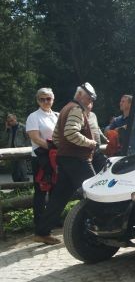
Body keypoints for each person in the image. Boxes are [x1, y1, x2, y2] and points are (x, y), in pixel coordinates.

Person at [33, 83, 98, 245]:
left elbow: (56, 137)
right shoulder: (76, 109)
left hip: (65, 158)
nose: (90, 100)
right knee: (95, 192)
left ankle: (42, 232)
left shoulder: (65, 108)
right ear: (80, 96)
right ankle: (99, 229)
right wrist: (90, 143)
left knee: (58, 198)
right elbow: (70, 132)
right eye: (88, 97)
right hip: (77, 159)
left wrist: (63, 149)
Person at [25, 88, 59, 231]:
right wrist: (51, 148)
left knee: (55, 190)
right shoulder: (33, 116)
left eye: (48, 98)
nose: (46, 101)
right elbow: (35, 138)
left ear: (53, 99)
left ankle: (52, 220)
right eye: (42, 99)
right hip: (41, 158)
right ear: (37, 100)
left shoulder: (57, 115)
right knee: (41, 190)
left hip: (55, 157)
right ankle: (39, 223)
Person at [5, 113, 30, 182]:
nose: (11, 122)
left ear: (15, 119)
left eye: (12, 120)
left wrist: (25, 147)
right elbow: (5, 139)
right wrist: (7, 129)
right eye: (9, 121)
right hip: (11, 150)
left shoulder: (22, 127)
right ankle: (16, 184)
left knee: (22, 167)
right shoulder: (9, 129)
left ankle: (25, 183)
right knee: (14, 168)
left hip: (21, 150)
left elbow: (28, 138)